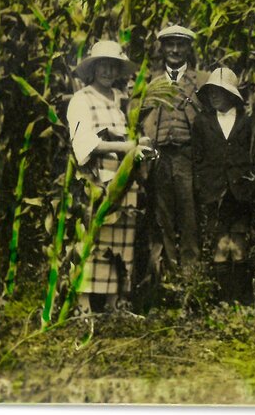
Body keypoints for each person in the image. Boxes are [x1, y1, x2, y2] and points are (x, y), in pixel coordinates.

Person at [67, 40, 153, 314]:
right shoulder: (82, 99)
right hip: (96, 181)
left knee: (119, 243)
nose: (107, 70)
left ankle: (113, 302)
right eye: (102, 65)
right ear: (92, 69)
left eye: (112, 66)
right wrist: (127, 148)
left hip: (123, 180)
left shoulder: (120, 101)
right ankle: (83, 306)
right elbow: (84, 144)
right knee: (93, 240)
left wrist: (141, 147)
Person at [192, 67, 255, 306]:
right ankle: (223, 301)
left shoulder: (246, 120)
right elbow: (197, 157)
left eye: (220, 91)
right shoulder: (203, 121)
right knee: (221, 245)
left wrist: (252, 182)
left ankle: (242, 301)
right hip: (215, 191)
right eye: (211, 91)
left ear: (231, 94)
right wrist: (203, 185)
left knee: (239, 245)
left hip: (240, 191)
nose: (215, 96)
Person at [142, 24, 208, 275]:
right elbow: (141, 120)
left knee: (189, 216)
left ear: (189, 48)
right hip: (159, 158)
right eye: (170, 44)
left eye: (181, 45)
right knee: (163, 217)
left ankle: (191, 278)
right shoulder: (151, 83)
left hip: (186, 156)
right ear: (162, 48)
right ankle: (168, 275)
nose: (175, 50)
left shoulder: (200, 81)